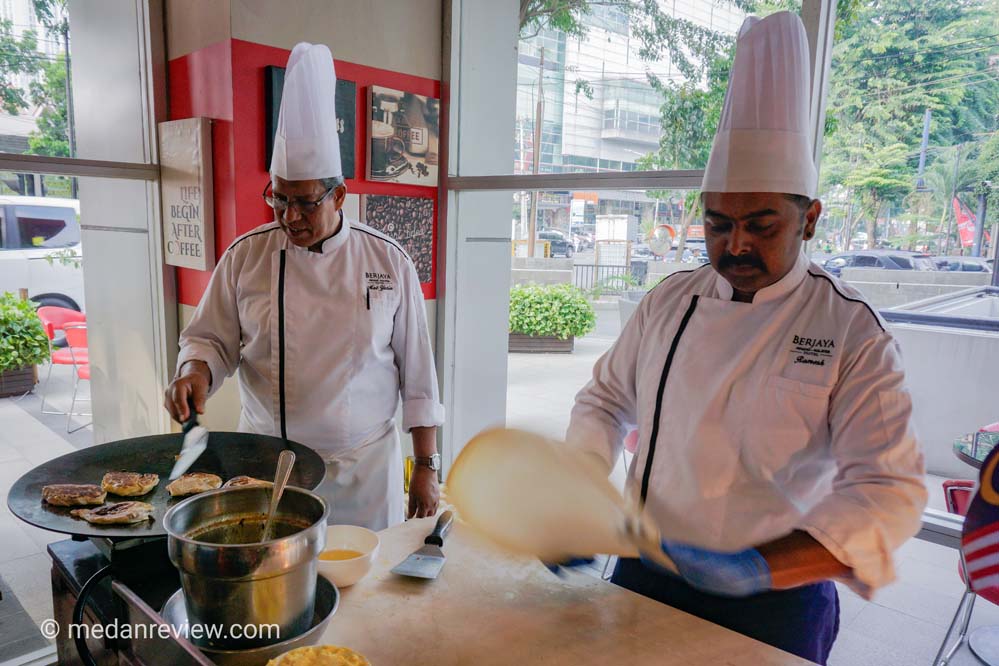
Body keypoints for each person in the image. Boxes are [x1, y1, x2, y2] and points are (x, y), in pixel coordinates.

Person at [564, 13, 926, 664]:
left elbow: (888, 487)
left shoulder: (848, 330)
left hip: (777, 593)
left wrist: (759, 568)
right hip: (645, 568)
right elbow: (602, 402)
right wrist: (578, 487)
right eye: (717, 223)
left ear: (809, 218)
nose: (734, 245)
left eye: (761, 225)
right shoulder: (668, 301)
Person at [164, 43, 444, 530]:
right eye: (278, 198)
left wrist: (426, 465)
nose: (289, 216)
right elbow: (209, 339)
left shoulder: (388, 260)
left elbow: (418, 375)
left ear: (338, 195)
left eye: (306, 202)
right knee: (273, 588)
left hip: (360, 470)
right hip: (267, 469)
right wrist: (194, 372)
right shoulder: (245, 256)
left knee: (365, 590)